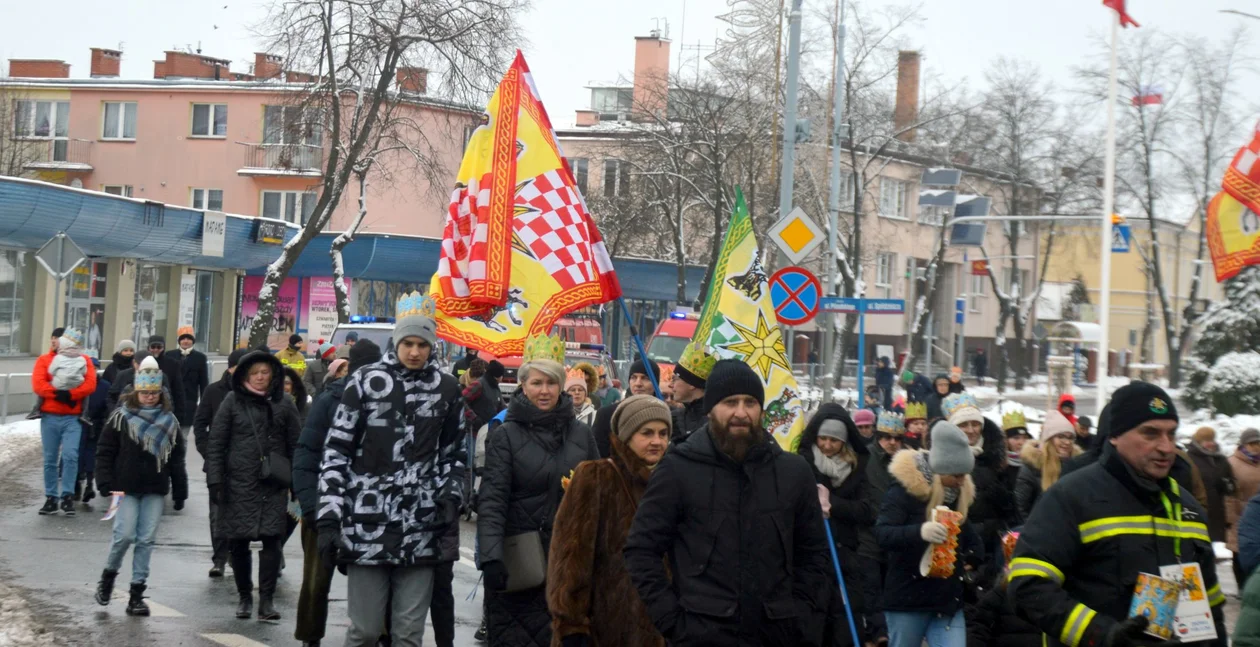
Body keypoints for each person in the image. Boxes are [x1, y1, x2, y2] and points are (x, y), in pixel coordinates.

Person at [625, 359, 830, 646]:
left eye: (750, 402)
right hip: (700, 635)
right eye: (730, 402)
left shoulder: (793, 473)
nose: (741, 413)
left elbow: (814, 554)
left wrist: (801, 617)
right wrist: (672, 621)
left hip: (777, 635)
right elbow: (641, 550)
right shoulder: (678, 469)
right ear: (710, 409)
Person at [1008, 381, 1227, 647]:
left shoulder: (1188, 506)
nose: (1167, 447)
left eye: (1171, 434)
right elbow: (1028, 584)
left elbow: (1211, 607)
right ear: (1114, 435)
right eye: (1150, 434)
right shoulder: (1071, 496)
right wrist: (1102, 634)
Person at [317, 296, 465, 647]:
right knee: (365, 631)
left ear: (432, 346)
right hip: (367, 521)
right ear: (396, 342)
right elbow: (336, 450)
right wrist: (328, 518)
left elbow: (456, 452)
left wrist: (451, 495)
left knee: (409, 635)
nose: (415, 352)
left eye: (422, 345)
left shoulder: (447, 389)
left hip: (422, 525)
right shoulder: (365, 382)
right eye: (408, 343)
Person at [478, 332, 599, 647]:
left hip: (570, 566)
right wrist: (490, 557)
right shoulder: (505, 435)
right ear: (523, 385)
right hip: (521, 564)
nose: (544, 391)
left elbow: (600, 496)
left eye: (551, 382)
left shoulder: (583, 435)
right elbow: (492, 499)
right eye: (536, 383)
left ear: (561, 386)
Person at [546, 395, 672, 647]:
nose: (657, 441)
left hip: (657, 630)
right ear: (626, 435)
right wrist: (572, 626)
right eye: (646, 433)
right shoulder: (596, 476)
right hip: (600, 631)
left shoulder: (672, 482)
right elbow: (571, 555)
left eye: (663, 433)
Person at [292, 340, 380, 647]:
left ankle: (381, 633)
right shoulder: (330, 399)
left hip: (370, 508)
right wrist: (310, 505)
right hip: (324, 502)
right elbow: (307, 453)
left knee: (377, 579)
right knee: (317, 580)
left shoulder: (385, 400)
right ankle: (309, 637)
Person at [206, 350, 302, 621]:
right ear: (245, 376)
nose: (260, 378)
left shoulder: (284, 403)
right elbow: (217, 444)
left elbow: (297, 445)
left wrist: (298, 483)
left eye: (265, 372)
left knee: (273, 540)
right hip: (238, 483)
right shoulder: (232, 401)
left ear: (273, 374)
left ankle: (267, 600)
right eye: (255, 373)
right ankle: (245, 597)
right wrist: (215, 480)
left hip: (273, 484)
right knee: (238, 541)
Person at [92, 359, 187, 617]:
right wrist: (104, 481)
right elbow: (105, 451)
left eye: (154, 393)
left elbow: (176, 459)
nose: (149, 397)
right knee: (123, 536)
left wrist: (180, 490)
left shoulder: (169, 421)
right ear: (136, 392)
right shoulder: (121, 418)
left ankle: (136, 594)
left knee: (146, 539)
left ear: (160, 394)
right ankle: (108, 577)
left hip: (155, 489)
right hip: (123, 489)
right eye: (144, 392)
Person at [875, 421, 982, 647]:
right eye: (956, 475)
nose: (962, 481)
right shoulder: (902, 492)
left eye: (965, 475)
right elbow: (883, 534)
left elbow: (973, 541)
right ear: (940, 470)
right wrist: (919, 532)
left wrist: (969, 559)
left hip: (946, 601)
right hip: (908, 598)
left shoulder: (957, 496)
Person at [799, 403, 876, 646]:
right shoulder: (802, 464)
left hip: (845, 557)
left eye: (834, 440)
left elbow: (867, 510)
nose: (827, 445)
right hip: (811, 558)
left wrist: (832, 503)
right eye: (823, 439)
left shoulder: (855, 469)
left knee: (844, 624)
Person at [941, 392, 1017, 586]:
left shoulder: (996, 459)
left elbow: (1012, 511)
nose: (971, 430)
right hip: (956, 547)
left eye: (975, 424)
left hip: (992, 546)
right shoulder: (940, 463)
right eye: (964, 425)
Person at [194, 347, 249, 578]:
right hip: (218, 463)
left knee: (241, 513)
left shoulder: (254, 392)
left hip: (246, 465)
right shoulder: (213, 391)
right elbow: (200, 425)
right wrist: (209, 453)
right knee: (217, 513)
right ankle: (219, 559)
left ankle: (237, 557)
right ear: (230, 367)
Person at [32, 327, 98, 515]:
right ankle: (51, 497)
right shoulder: (45, 360)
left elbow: (90, 383)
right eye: (54, 338)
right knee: (50, 459)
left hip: (73, 417)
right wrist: (56, 394)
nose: (56, 342)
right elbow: (38, 384)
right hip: (49, 416)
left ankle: (67, 495)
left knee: (70, 456)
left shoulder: (83, 360)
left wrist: (70, 394)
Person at [861, 409, 907, 646]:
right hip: (868, 538)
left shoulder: (908, 462)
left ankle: (889, 631)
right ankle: (878, 632)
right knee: (871, 588)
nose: (892, 442)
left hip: (895, 538)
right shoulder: (865, 458)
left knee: (892, 588)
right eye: (887, 437)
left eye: (897, 438)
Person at [1013, 411, 1081, 521]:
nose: (1067, 442)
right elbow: (1021, 508)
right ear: (1049, 439)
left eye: (1070, 437)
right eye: (1061, 436)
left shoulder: (1078, 465)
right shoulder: (1032, 466)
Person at [592, 359, 661, 458]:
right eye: (634, 377)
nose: (638, 383)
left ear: (655, 383)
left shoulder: (666, 415)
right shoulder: (607, 415)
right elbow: (598, 456)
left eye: (645, 378)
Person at [109, 337, 186, 423]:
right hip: (127, 418)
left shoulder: (162, 377)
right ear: (134, 363)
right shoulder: (124, 377)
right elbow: (112, 397)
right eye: (139, 364)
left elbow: (168, 400)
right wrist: (115, 413)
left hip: (155, 419)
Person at [1186, 426, 1236, 544]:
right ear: (1198, 442)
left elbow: (1231, 482)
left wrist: (1228, 484)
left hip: (1220, 511)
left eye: (1212, 440)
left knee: (1219, 545)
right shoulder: (1189, 458)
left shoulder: (1221, 459)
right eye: (1206, 441)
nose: (1211, 444)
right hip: (1200, 508)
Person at [77, 356, 112, 504]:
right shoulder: (78, 383)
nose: (91, 370)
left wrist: (103, 420)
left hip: (96, 424)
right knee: (76, 454)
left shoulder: (104, 385)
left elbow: (107, 404)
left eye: (94, 367)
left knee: (91, 454)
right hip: (78, 423)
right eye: (88, 367)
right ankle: (76, 484)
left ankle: (90, 485)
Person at [1229, 429, 1260, 588]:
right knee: (1240, 551)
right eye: (1252, 444)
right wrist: (1231, 518)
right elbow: (1228, 495)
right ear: (1243, 445)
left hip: (1257, 513)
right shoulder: (1232, 463)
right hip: (1239, 514)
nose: (1256, 447)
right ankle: (1243, 587)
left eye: (1258, 443)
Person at [166, 326, 209, 435]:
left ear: (193, 341)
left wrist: (204, 404)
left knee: (183, 437)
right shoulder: (169, 356)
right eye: (183, 338)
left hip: (189, 403)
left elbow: (204, 383)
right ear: (179, 340)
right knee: (169, 436)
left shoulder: (200, 358)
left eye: (188, 338)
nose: (186, 341)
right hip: (171, 402)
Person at [670, 341, 714, 443]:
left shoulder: (714, 423)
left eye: (675, 379)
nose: (670, 385)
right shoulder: (673, 417)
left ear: (691, 384)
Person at [464, 359, 505, 435]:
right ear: (497, 376)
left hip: (489, 430)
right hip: (475, 432)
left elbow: (502, 406)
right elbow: (462, 400)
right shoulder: (479, 384)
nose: (502, 378)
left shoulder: (495, 387)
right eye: (502, 375)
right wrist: (474, 418)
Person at [1002, 410, 1032, 490]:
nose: (1021, 442)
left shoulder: (1034, 464)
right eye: (1016, 438)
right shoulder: (999, 466)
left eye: (1025, 438)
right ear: (1006, 441)